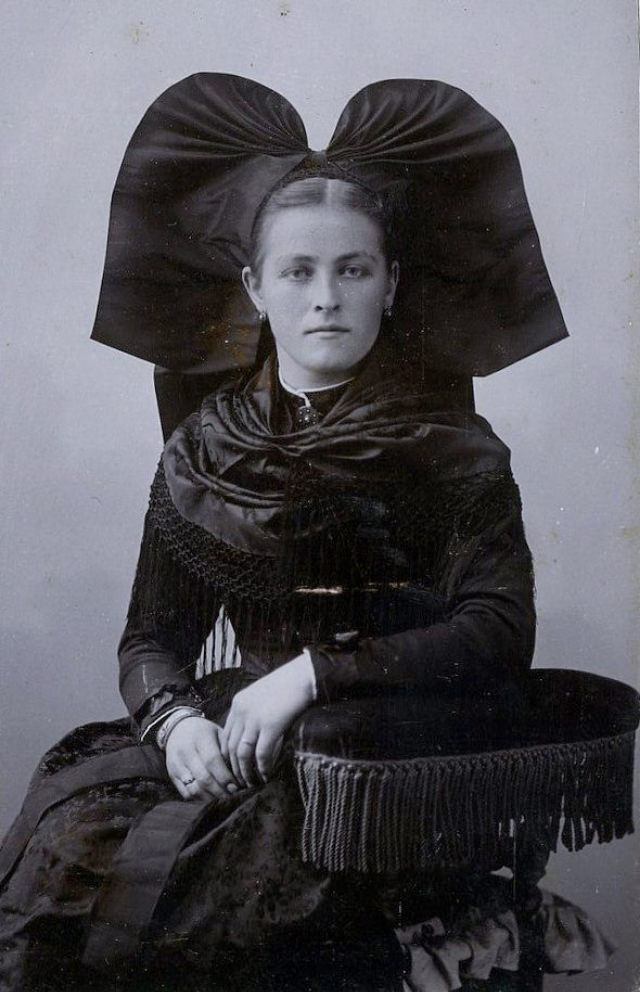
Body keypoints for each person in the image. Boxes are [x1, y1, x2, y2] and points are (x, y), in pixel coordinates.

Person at [0, 76, 616, 992]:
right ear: (254, 286)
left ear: (391, 282)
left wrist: (310, 676)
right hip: (237, 738)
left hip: (389, 751)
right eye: (298, 271)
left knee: (244, 903)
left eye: (353, 270)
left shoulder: (453, 452)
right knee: (68, 853)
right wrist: (173, 725)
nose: (326, 297)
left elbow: (498, 631)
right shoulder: (203, 451)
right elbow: (149, 639)